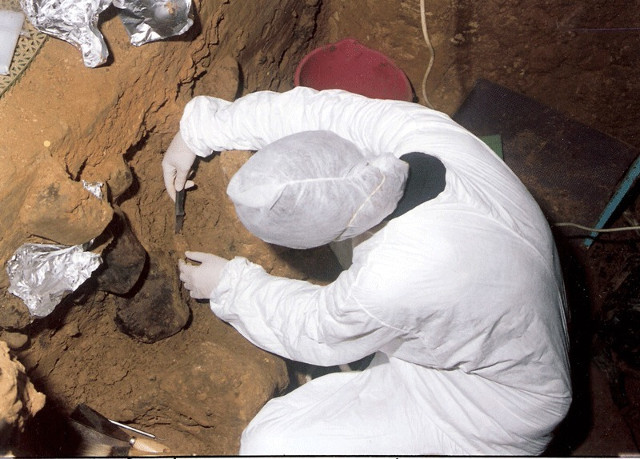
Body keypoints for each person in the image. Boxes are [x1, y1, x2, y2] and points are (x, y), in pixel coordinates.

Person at [161, 86, 572, 455]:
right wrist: (197, 131)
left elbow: (315, 327)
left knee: (269, 445)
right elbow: (313, 110)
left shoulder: (390, 280)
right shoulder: (420, 132)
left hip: (490, 408)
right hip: (507, 323)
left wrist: (227, 285)